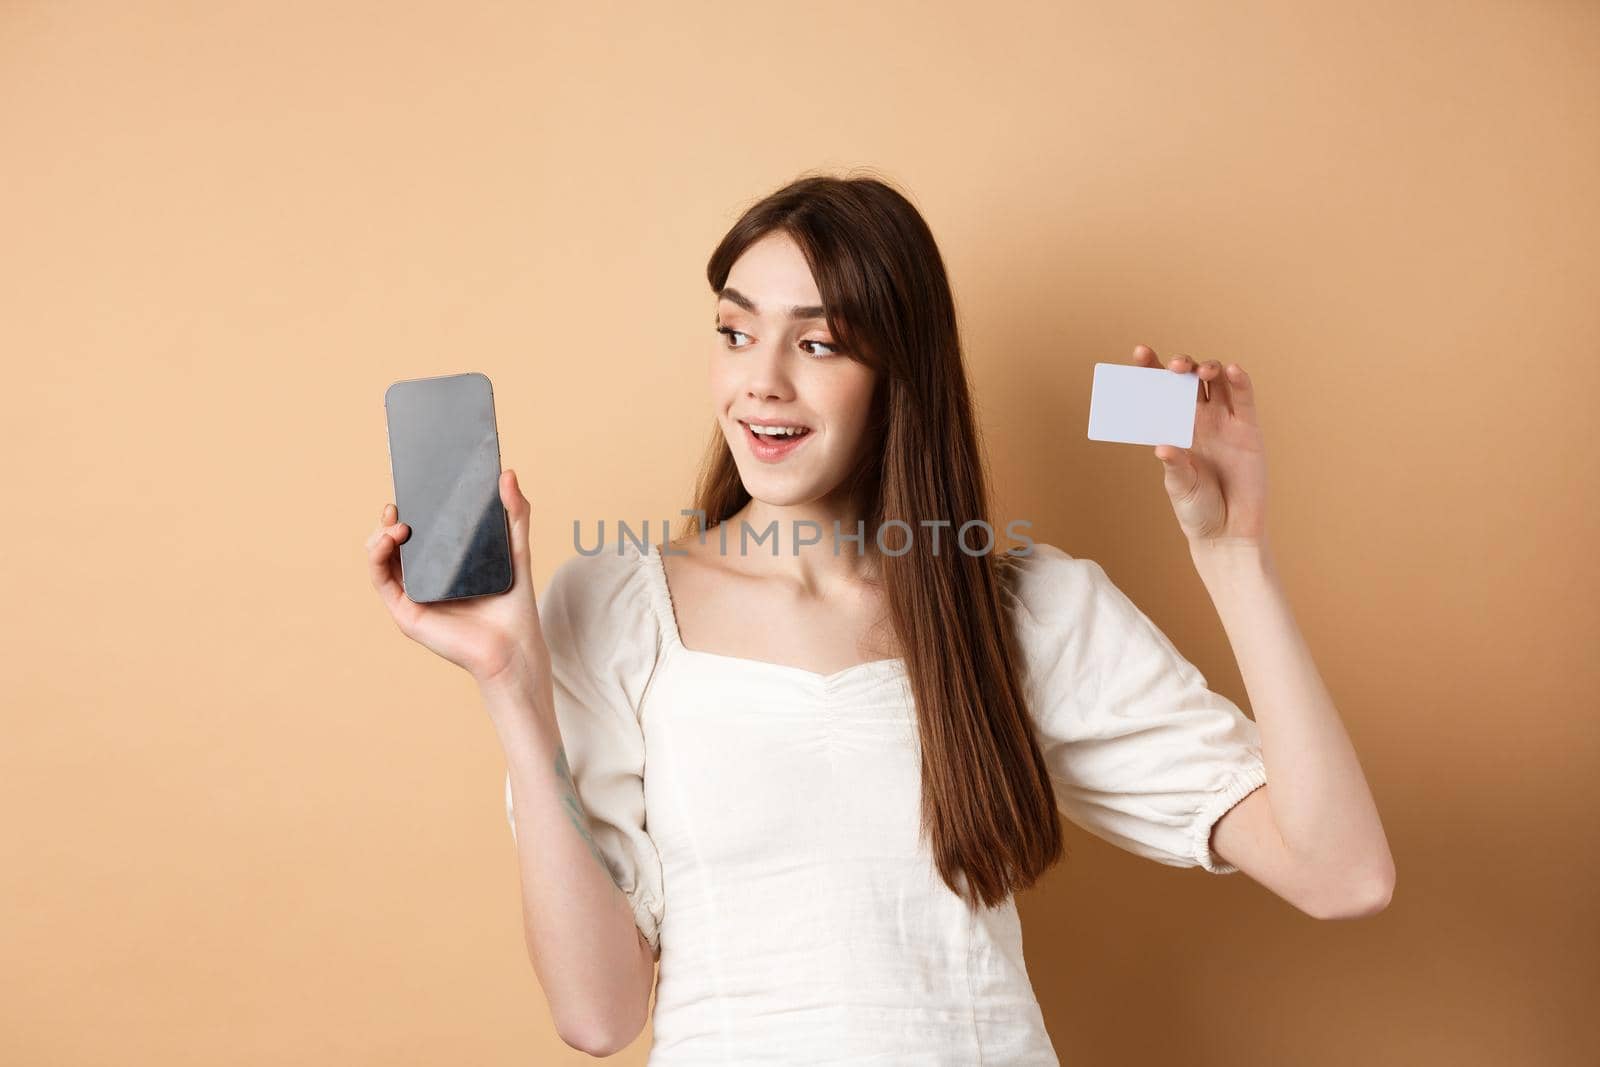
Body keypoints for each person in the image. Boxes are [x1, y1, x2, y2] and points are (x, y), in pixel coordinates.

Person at [365, 172, 1394, 1063]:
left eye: (817, 343)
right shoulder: (616, 606)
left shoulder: (1019, 608)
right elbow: (595, 1013)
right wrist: (512, 683)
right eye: (735, 331)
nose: (759, 380)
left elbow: (1339, 872)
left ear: (898, 377)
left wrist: (1234, 555)